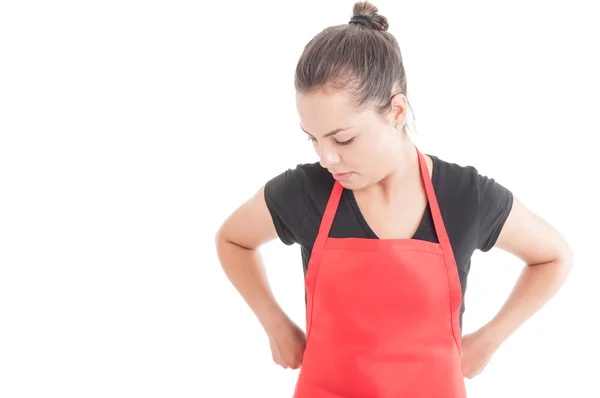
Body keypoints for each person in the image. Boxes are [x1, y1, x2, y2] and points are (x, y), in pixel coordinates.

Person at [215, 2, 573, 397]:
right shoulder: (305, 192)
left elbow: (553, 257)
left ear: (397, 110)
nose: (327, 158)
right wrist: (275, 325)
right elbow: (232, 239)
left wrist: (488, 340)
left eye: (344, 139)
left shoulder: (465, 196)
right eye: (313, 138)